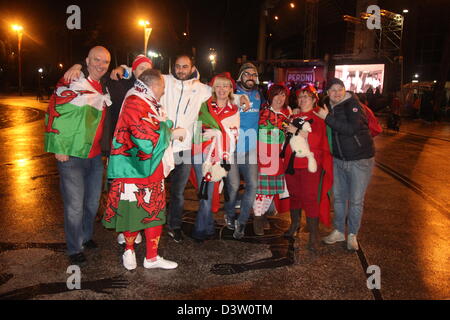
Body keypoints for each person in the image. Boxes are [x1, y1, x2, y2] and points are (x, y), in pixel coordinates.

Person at [114, 55, 249, 243]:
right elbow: (144, 74)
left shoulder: (201, 89)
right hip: (161, 145)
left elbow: (222, 90)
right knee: (149, 188)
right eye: (177, 66)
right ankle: (141, 226)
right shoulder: (164, 81)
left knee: (177, 192)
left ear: (192, 68)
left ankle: (174, 226)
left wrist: (241, 97)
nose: (181, 70)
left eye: (185, 67)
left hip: (185, 148)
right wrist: (123, 68)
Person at [64, 54, 155, 246]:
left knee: (139, 193)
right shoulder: (118, 84)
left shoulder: (156, 89)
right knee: (119, 193)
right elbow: (97, 71)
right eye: (139, 68)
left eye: (147, 68)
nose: (143, 72)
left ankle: (135, 228)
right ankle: (122, 231)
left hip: (142, 152)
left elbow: (189, 78)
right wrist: (78, 63)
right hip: (118, 151)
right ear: (133, 71)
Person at [102, 69, 182, 270]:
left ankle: (152, 257)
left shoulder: (146, 101)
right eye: (162, 88)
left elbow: (153, 127)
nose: (163, 92)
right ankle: (128, 250)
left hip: (151, 167)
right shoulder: (135, 101)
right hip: (133, 169)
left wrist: (165, 127)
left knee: (155, 210)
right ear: (153, 85)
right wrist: (170, 130)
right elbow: (146, 136)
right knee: (132, 211)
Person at [44, 46, 112, 265]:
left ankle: (86, 235)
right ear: (87, 60)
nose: (101, 65)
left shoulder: (102, 86)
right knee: (75, 205)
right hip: (71, 155)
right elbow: (54, 111)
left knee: (92, 203)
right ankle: (74, 247)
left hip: (94, 156)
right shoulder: (73, 82)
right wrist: (59, 147)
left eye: (106, 62)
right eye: (96, 60)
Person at [314, 78, 375, 251]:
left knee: (355, 200)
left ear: (345, 90)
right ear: (327, 93)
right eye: (332, 90)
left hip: (360, 160)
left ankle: (352, 234)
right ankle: (339, 230)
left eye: (339, 89)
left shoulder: (353, 105)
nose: (336, 93)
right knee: (339, 198)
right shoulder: (330, 106)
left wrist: (327, 118)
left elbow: (351, 129)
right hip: (339, 159)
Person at [283, 85, 333, 251]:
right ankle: (294, 225)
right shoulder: (294, 115)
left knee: (311, 198)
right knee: (294, 195)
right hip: (291, 163)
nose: (303, 100)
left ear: (313, 100)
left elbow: (317, 139)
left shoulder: (318, 116)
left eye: (306, 97)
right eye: (300, 97)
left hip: (309, 165)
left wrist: (297, 131)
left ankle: (314, 234)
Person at [191, 72, 240, 242]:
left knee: (209, 194)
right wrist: (205, 137)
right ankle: (200, 230)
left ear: (230, 89)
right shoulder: (204, 105)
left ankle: (207, 227)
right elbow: (196, 130)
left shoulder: (234, 110)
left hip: (221, 156)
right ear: (213, 88)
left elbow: (235, 135)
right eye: (218, 85)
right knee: (205, 193)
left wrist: (218, 134)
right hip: (201, 155)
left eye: (225, 86)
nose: (222, 89)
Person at [224, 62, 264, 239]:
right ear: (240, 77)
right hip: (232, 149)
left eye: (254, 74)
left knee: (253, 186)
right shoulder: (231, 94)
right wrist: (235, 99)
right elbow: (219, 98)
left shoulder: (258, 94)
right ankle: (230, 214)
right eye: (247, 74)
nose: (251, 77)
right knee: (232, 187)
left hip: (251, 150)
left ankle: (241, 223)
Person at [252, 84, 291, 236]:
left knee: (270, 191)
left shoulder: (287, 114)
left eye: (283, 95)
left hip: (277, 158)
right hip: (262, 157)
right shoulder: (262, 112)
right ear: (271, 96)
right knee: (260, 192)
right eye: (277, 95)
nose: (280, 98)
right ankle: (257, 219)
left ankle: (262, 216)